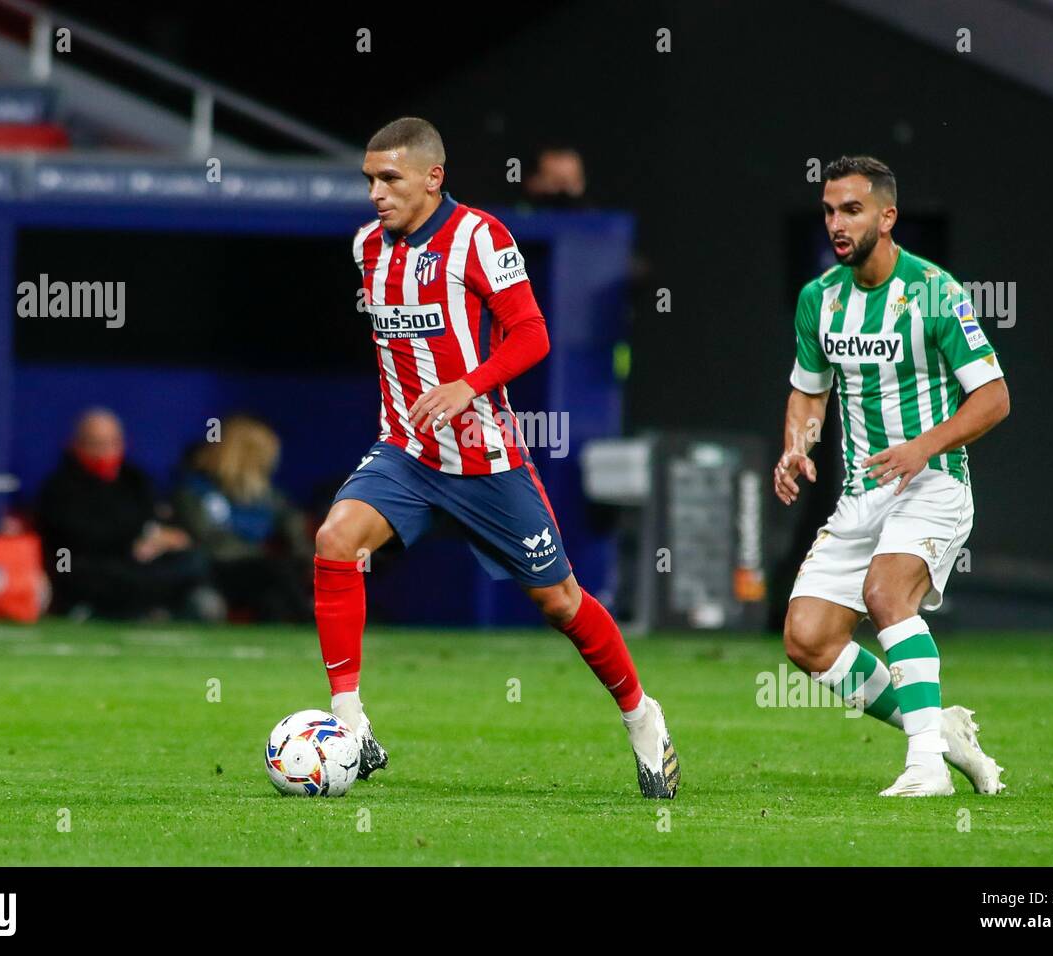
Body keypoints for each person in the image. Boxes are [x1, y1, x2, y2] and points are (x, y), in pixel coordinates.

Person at [314, 117, 679, 798]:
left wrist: (468, 384)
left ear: (433, 177)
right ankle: (350, 727)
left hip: (485, 458)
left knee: (560, 601)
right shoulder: (367, 248)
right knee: (335, 540)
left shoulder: (481, 237)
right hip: (405, 453)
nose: (376, 193)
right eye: (368, 179)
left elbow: (532, 334)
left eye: (389, 178)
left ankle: (641, 716)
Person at [775, 156, 1010, 797]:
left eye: (850, 210)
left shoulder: (935, 292)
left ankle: (925, 768)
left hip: (933, 483)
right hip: (862, 495)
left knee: (886, 596)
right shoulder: (818, 299)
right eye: (828, 211)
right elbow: (809, 392)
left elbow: (993, 398)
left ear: (888, 215)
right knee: (808, 640)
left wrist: (920, 448)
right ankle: (939, 733)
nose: (836, 224)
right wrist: (798, 446)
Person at [37, 408, 216, 621]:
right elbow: (75, 537)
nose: (104, 451)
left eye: (111, 443)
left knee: (193, 561)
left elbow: (155, 520)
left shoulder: (135, 479)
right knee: (77, 570)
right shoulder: (60, 485)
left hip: (138, 562)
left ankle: (155, 607)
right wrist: (132, 539)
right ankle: (122, 608)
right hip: (87, 564)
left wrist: (160, 539)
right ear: (77, 444)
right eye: (96, 443)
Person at [173, 415, 313, 622]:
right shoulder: (196, 491)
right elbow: (210, 541)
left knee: (275, 593)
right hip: (213, 571)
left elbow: (296, 535)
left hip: (258, 572)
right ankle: (312, 623)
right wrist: (259, 554)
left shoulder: (268, 496)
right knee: (275, 570)